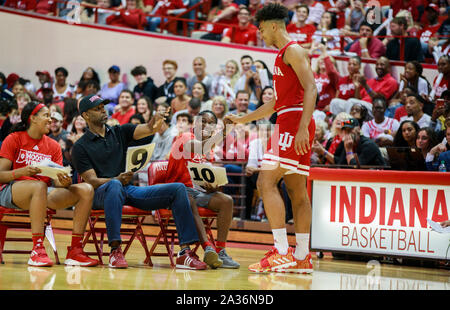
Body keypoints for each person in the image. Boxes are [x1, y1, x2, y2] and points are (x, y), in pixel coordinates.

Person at [225, 3, 317, 274]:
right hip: (289, 118)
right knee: (297, 192)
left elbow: (312, 88)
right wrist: (242, 119)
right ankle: (302, 256)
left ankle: (280, 251)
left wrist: (301, 128)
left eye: (262, 28)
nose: (261, 34)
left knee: (265, 181)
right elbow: (277, 102)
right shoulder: (281, 56)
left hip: (294, 122)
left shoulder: (294, 50)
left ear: (274, 25)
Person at [71, 94, 206, 269]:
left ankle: (185, 253)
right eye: (97, 108)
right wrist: (116, 179)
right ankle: (115, 251)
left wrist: (155, 120)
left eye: (103, 107)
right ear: (86, 116)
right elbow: (92, 181)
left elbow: (149, 128)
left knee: (178, 189)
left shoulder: (119, 132)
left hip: (127, 189)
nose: (103, 110)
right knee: (114, 185)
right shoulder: (80, 146)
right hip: (101, 194)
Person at [0, 101, 99, 267]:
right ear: (33, 118)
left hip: (44, 193)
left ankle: (75, 250)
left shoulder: (53, 145)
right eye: (46, 115)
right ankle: (37, 249)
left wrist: (64, 182)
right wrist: (22, 172)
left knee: (86, 189)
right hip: (12, 192)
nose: (51, 119)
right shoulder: (14, 138)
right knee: (39, 186)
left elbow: (56, 182)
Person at [165, 110, 240, 268]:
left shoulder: (210, 151)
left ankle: (220, 251)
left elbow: (204, 177)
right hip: (176, 191)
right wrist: (225, 131)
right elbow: (200, 147)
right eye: (202, 121)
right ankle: (207, 249)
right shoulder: (185, 137)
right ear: (195, 124)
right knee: (188, 198)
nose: (206, 125)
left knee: (226, 201)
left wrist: (212, 186)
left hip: (198, 192)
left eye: (210, 123)